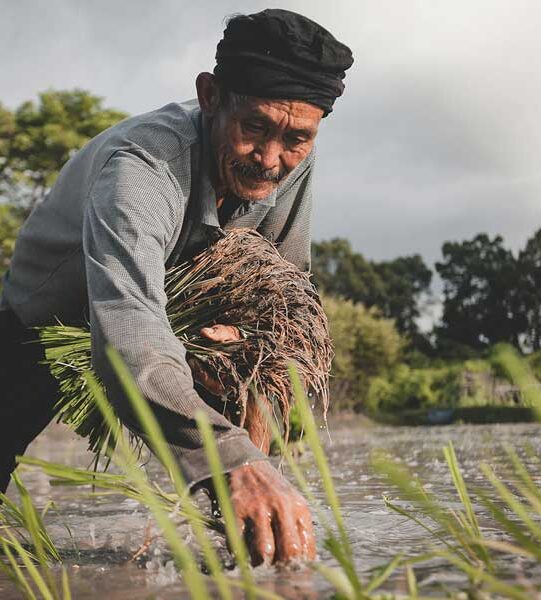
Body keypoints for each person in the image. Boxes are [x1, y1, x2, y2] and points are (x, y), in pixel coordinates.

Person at [0, 9, 353, 565]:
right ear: (211, 95)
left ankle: (239, 552)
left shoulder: (291, 160)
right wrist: (232, 460)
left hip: (177, 319)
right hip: (47, 320)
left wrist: (245, 349)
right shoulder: (142, 169)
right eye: (254, 127)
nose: (269, 160)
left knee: (249, 408)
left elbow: (287, 293)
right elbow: (130, 336)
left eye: (296, 138)